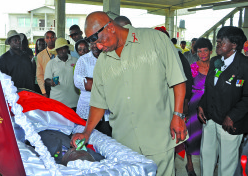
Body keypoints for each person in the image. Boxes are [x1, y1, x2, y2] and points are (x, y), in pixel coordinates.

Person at [71, 11, 187, 176]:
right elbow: (98, 102)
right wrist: (86, 132)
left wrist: (178, 115)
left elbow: (178, 80)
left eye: (100, 41)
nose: (98, 47)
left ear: (110, 27)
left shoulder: (155, 40)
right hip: (125, 146)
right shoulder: (103, 62)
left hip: (159, 138)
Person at [198, 26, 248, 176]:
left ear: (234, 44)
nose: (217, 44)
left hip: (229, 123)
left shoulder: (245, 65)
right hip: (210, 118)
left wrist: (232, 116)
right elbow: (209, 89)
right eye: (217, 41)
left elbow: (246, 97)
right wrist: (201, 105)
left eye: (221, 42)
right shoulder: (214, 61)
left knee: (226, 164)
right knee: (206, 156)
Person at [184, 38, 212, 176]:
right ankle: (189, 163)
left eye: (205, 50)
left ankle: (207, 163)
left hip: (211, 105)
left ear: (210, 51)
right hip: (194, 105)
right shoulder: (193, 67)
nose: (202, 54)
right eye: (199, 51)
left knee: (207, 137)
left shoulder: (216, 67)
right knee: (192, 136)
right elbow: (187, 88)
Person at [74, 42, 112, 136]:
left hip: (107, 111)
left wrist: (92, 82)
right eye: (92, 43)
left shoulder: (111, 57)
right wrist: (108, 84)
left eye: (97, 42)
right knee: (86, 141)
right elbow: (80, 82)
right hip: (87, 108)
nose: (94, 45)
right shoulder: (83, 60)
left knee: (107, 140)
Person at [44, 38, 79, 110]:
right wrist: (51, 82)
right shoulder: (51, 63)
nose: (61, 51)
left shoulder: (76, 60)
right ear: (56, 50)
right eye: (59, 49)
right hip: (57, 101)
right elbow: (46, 79)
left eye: (64, 48)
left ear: (67, 49)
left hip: (74, 101)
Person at [36, 31, 56, 98]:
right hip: (47, 86)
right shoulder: (40, 55)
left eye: (52, 37)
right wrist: (43, 91)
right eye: (48, 38)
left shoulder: (60, 52)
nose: (50, 39)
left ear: (55, 38)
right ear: (45, 40)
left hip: (60, 84)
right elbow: (39, 75)